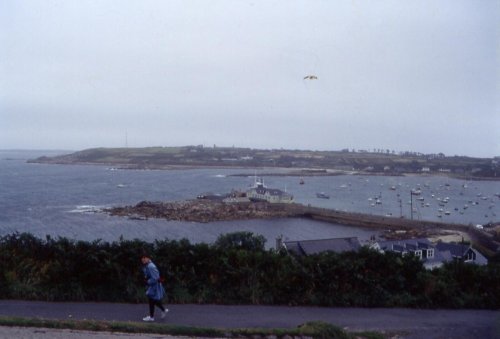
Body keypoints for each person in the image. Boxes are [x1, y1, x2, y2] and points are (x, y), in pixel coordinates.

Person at [141, 254, 168, 321]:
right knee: (152, 300)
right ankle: (160, 311)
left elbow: (155, 278)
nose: (143, 259)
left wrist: (148, 282)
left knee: (152, 299)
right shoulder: (148, 265)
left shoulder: (150, 266)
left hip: (154, 285)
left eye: (145, 258)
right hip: (154, 285)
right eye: (142, 258)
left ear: (148, 258)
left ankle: (152, 316)